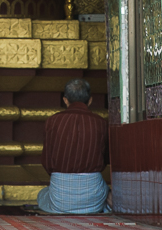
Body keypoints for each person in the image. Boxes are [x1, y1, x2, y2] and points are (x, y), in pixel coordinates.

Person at [35, 78, 110, 214]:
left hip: (60, 198)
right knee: (107, 193)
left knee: (42, 195)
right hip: (93, 198)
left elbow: (46, 160)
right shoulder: (101, 123)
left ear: (65, 100)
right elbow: (106, 159)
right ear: (90, 100)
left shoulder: (53, 121)